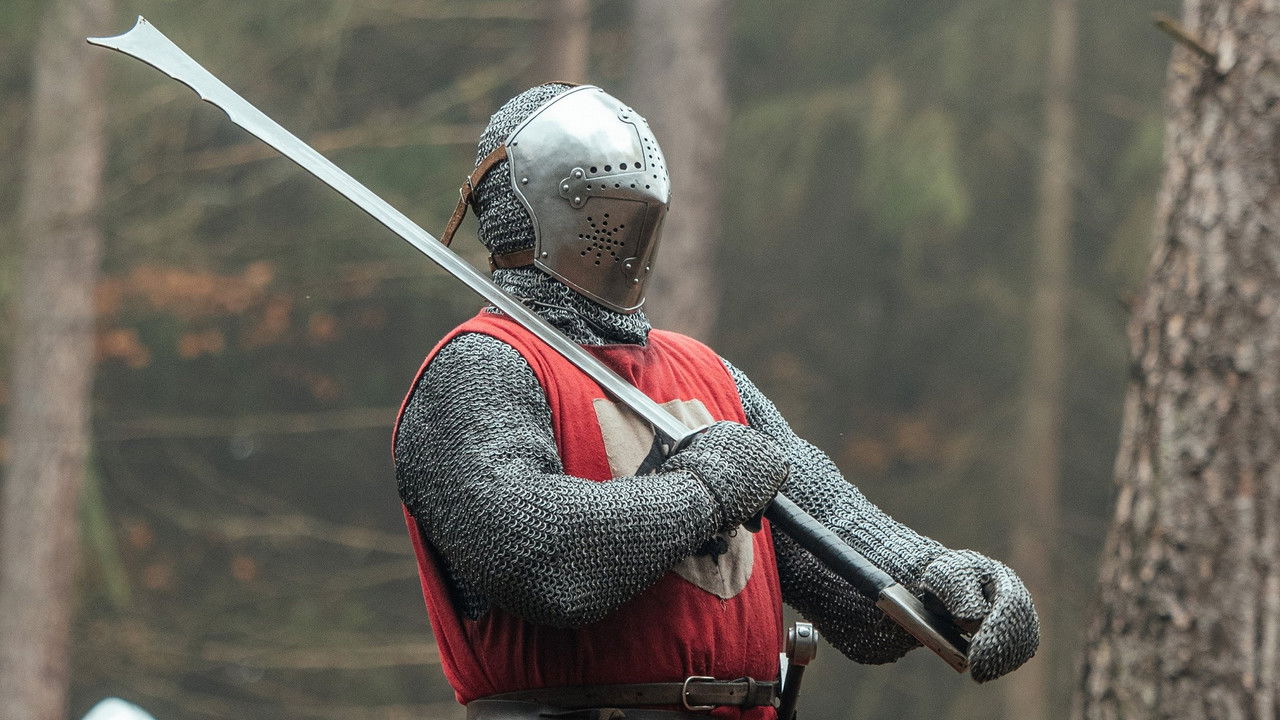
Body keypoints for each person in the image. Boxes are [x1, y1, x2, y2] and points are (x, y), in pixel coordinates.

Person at [393, 83, 1039, 720]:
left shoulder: (708, 375)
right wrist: (701, 491)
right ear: (523, 207)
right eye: (609, 211)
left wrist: (937, 578)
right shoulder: (480, 368)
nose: (623, 235)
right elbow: (539, 559)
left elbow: (831, 531)